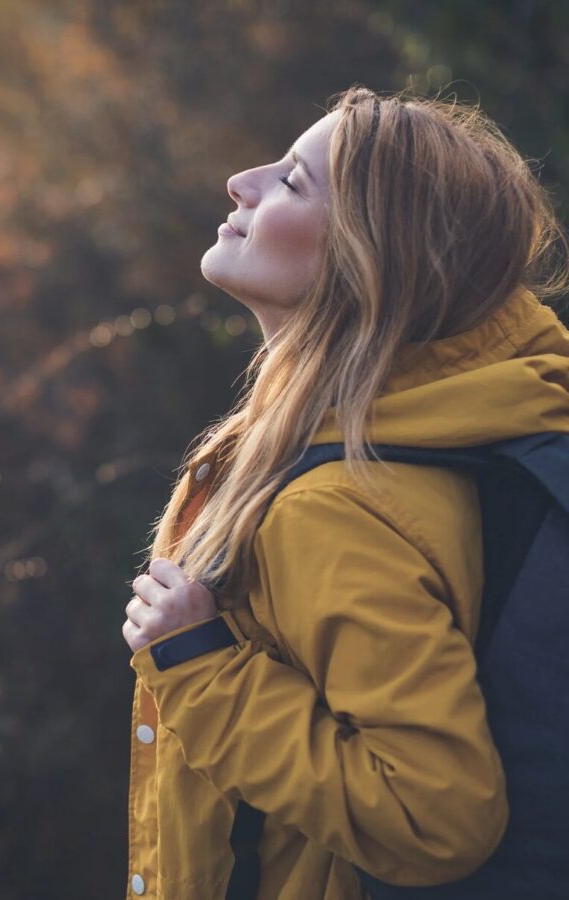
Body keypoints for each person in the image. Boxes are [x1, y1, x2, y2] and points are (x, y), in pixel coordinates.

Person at [120, 84, 569, 899]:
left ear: (369, 259)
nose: (242, 183)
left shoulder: (333, 508)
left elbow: (438, 816)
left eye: (292, 182)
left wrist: (201, 670)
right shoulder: (474, 421)